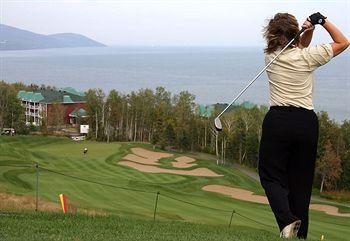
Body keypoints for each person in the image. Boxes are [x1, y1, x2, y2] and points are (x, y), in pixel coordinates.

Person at [259, 12, 349, 239]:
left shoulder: (269, 56)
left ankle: (287, 221)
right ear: (294, 33)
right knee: (301, 182)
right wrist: (322, 21)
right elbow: (343, 42)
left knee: (270, 176)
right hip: (305, 123)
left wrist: (307, 31)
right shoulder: (309, 57)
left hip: (278, 121)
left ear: (272, 34)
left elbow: (296, 46)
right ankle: (300, 235)